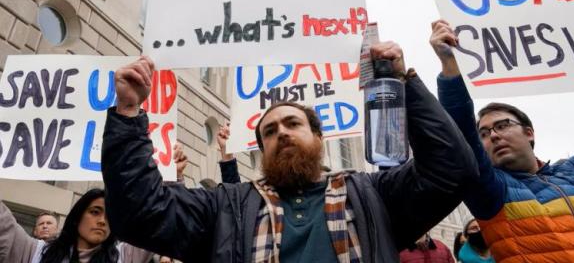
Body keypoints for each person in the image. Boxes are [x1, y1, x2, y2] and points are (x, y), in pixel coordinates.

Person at [101, 41, 477, 262]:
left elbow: (453, 169)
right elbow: (141, 214)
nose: (281, 132)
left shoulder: (372, 194)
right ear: (262, 148)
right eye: (269, 131)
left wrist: (403, 81)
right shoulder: (226, 206)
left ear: (318, 137)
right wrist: (128, 114)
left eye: (292, 124)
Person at [430, 19, 574, 263]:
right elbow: (459, 132)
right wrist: (450, 66)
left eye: (502, 126)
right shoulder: (492, 190)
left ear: (529, 133)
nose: (494, 135)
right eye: (484, 134)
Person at [0, 188, 153, 263]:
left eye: (109, 216)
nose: (102, 221)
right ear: (77, 217)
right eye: (95, 212)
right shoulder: (35, 251)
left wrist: (174, 175)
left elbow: (158, 217)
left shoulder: (124, 257)